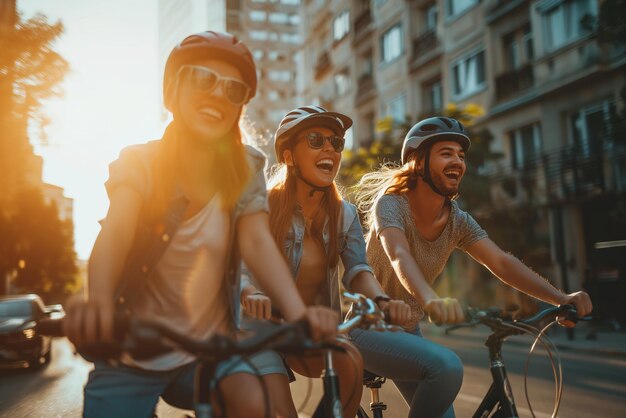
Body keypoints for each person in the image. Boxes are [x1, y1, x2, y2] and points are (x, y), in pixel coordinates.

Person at [62, 32, 338, 418]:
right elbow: (116, 234)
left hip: (211, 351)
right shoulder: (140, 162)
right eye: (201, 79)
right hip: (133, 347)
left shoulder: (244, 167)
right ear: (172, 91)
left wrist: (299, 315)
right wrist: (100, 304)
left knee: (252, 404)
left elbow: (257, 244)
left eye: (233, 89)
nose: (217, 95)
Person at [355, 116, 594, 418]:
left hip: (407, 331)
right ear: (417, 162)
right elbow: (398, 253)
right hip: (366, 328)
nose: (457, 161)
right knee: (446, 367)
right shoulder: (392, 204)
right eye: (446, 153)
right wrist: (431, 300)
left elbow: (501, 262)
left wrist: (560, 298)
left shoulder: (458, 220)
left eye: (461, 155)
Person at [240, 105, 412, 418]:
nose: (330, 149)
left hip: (313, 331)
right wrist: (250, 293)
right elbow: (240, 268)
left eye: (336, 142)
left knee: (349, 359)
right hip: (263, 330)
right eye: (316, 140)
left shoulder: (343, 214)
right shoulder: (261, 207)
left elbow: (359, 271)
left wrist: (384, 302)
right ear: (289, 156)